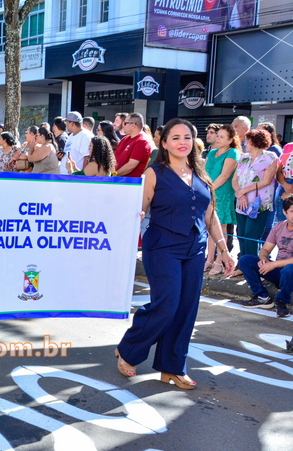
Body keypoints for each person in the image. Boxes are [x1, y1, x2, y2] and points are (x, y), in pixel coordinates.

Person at [115, 118, 235, 390]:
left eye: (188, 138)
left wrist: (224, 251)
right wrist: (135, 215)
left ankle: (172, 367)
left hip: (195, 248)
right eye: (176, 137)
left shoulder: (201, 172)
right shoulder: (154, 173)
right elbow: (139, 208)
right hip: (162, 247)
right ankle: (129, 349)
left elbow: (210, 215)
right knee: (167, 304)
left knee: (186, 309)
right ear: (164, 143)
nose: (183, 142)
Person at [238, 195, 293, 316]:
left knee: (289, 269)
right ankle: (262, 297)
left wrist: (273, 264)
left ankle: (282, 301)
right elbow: (265, 249)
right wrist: (263, 259)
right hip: (279, 272)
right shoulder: (279, 227)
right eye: (292, 211)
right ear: (284, 212)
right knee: (245, 260)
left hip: (290, 272)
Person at [231, 128, 278, 261]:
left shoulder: (270, 157)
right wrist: (240, 194)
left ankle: (250, 266)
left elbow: (266, 181)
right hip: (242, 202)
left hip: (259, 204)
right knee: (241, 235)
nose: (245, 143)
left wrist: (244, 191)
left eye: (247, 141)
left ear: (255, 142)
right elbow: (234, 180)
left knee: (251, 235)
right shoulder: (244, 158)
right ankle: (243, 264)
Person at [204, 124, 240, 274]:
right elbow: (203, 172)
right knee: (209, 227)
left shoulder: (232, 153)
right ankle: (209, 259)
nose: (218, 139)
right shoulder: (212, 153)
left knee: (221, 227)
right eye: (217, 136)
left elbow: (225, 176)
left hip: (222, 193)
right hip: (209, 191)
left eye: (221, 137)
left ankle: (220, 260)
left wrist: (209, 189)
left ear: (230, 140)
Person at [115, 113, 152, 177]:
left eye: (125, 123)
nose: (123, 125)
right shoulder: (125, 139)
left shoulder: (142, 141)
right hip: (118, 180)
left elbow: (131, 166)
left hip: (130, 183)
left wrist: (114, 174)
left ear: (133, 125)